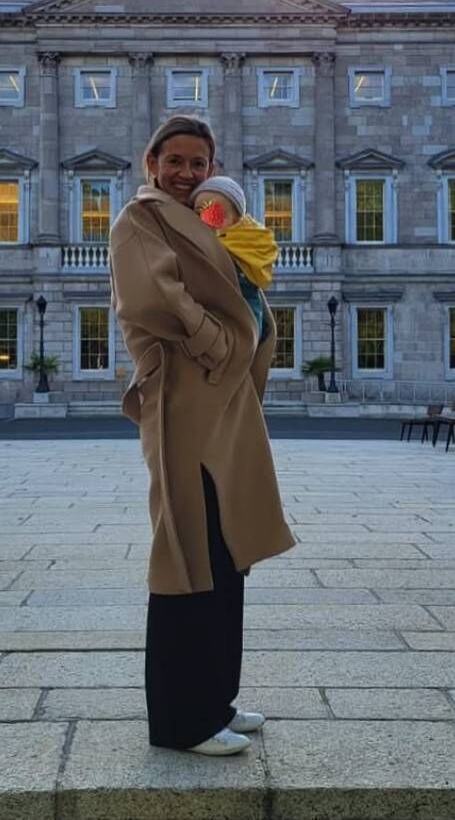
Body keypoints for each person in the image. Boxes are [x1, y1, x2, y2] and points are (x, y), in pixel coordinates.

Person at [109, 115, 296, 757]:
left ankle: (216, 700)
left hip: (226, 399)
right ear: (152, 163)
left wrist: (245, 342)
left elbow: (238, 288)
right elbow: (153, 300)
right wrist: (221, 346)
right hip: (184, 397)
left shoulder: (210, 219)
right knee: (188, 552)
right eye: (176, 161)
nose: (186, 173)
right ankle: (180, 722)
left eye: (199, 162)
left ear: (213, 168)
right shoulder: (140, 219)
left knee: (226, 549)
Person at [191, 175, 279, 345]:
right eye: (198, 214)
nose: (205, 221)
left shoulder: (234, 244)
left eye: (214, 215)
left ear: (237, 221)